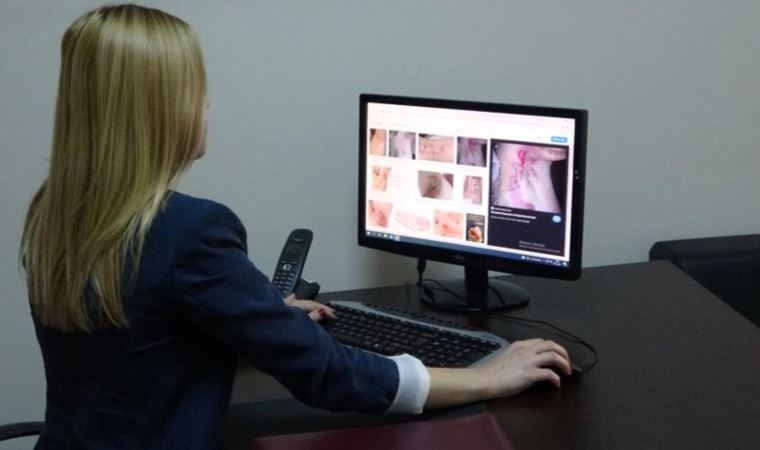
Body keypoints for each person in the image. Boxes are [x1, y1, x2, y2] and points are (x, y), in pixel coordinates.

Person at [20, 5, 573, 449]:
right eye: (196, 89)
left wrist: (259, 318)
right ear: (161, 109)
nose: (206, 105)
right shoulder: (188, 230)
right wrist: (488, 376)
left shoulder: (57, 210)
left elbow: (135, 340)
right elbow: (328, 374)